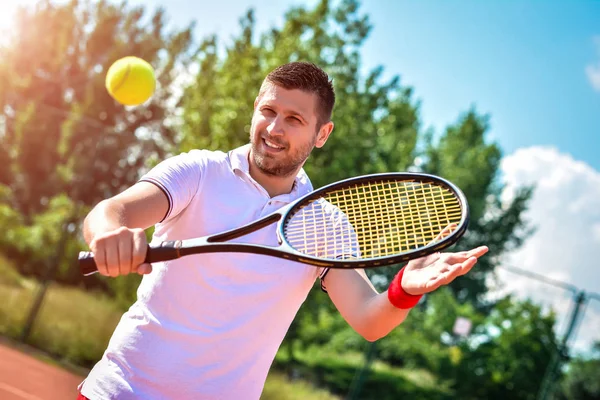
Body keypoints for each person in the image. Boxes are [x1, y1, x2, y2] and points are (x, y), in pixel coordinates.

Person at [77, 61, 488, 399]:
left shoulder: (325, 226)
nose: (275, 128)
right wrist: (109, 233)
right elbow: (111, 212)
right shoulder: (198, 171)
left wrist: (406, 289)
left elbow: (369, 320)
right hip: (118, 392)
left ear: (321, 134)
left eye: (294, 119)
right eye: (269, 111)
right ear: (255, 108)